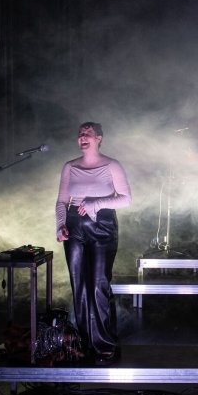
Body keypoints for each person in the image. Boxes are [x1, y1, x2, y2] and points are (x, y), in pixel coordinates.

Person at [55, 121, 131, 365]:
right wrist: (60, 224)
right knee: (80, 285)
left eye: (87, 133)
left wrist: (95, 204)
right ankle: (86, 343)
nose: (82, 136)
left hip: (101, 226)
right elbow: (61, 201)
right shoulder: (70, 166)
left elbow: (126, 199)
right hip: (75, 226)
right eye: (80, 134)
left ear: (98, 138)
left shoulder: (112, 165)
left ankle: (105, 344)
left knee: (98, 284)